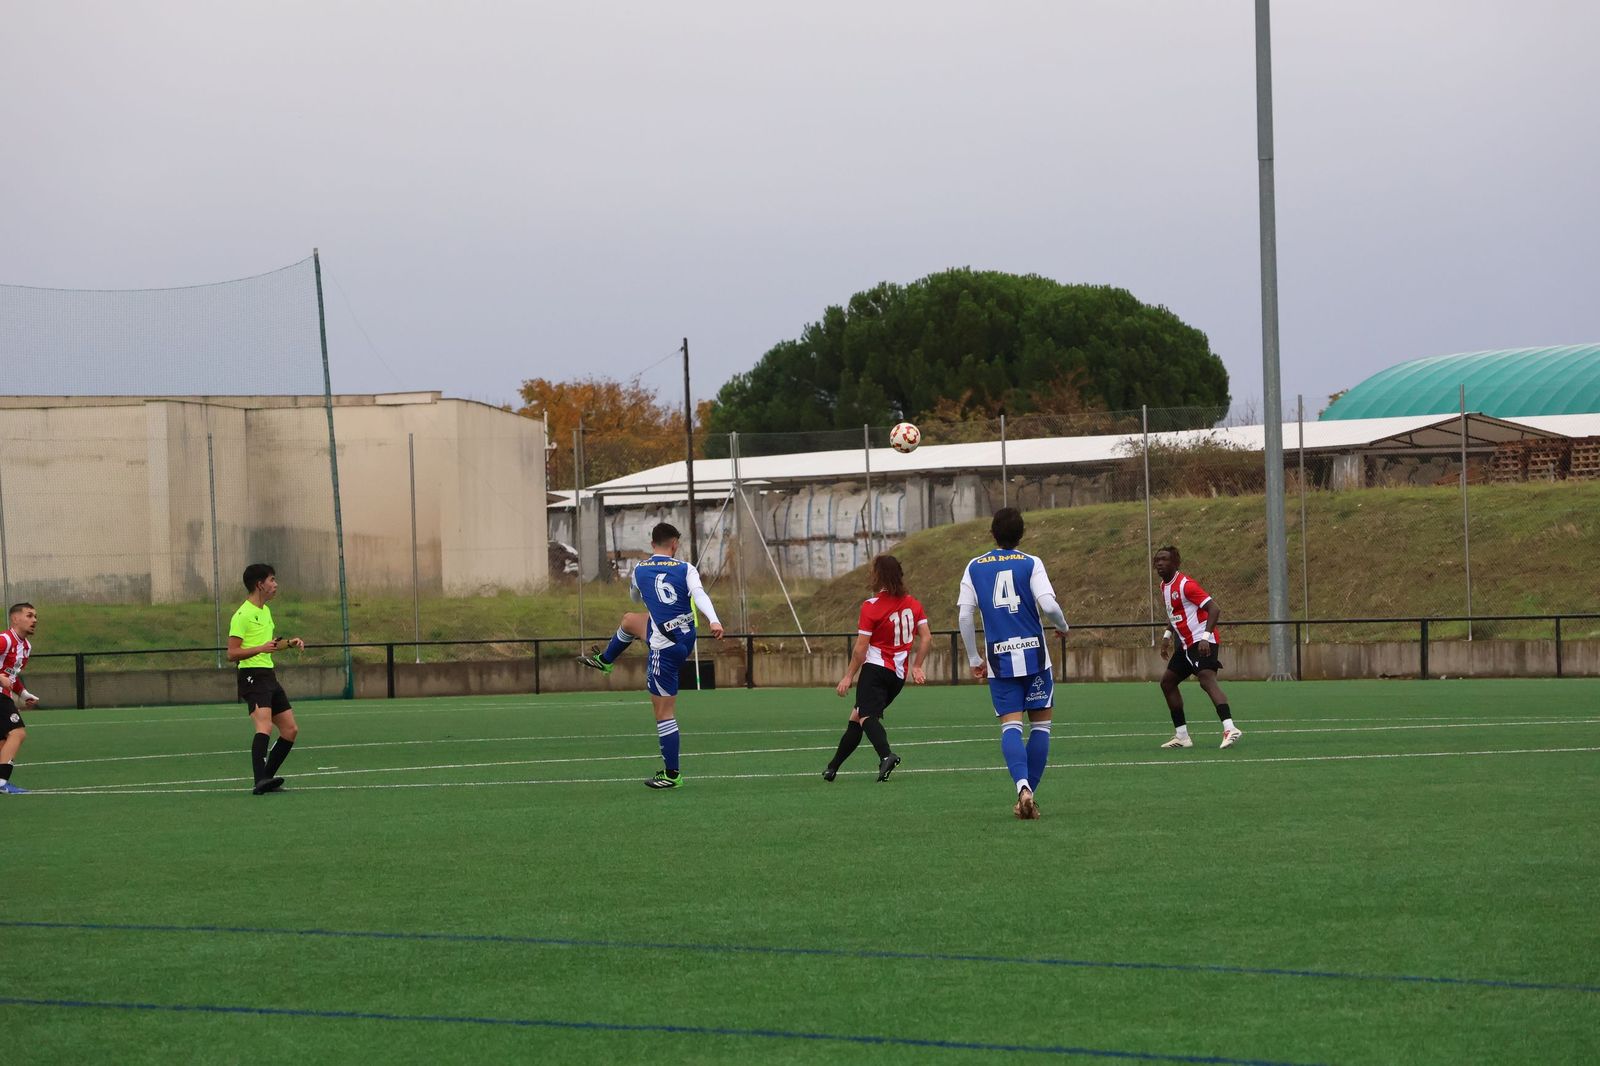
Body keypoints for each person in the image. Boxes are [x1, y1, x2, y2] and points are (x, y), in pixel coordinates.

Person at [577, 522, 724, 789]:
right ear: (674, 544)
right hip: (685, 637)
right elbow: (699, 594)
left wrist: (642, 591)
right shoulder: (686, 568)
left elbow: (635, 597)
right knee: (629, 621)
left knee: (663, 712)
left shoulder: (639, 570)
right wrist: (714, 620)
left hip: (664, 648)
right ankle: (605, 660)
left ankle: (672, 774)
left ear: (652, 543)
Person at [957, 508, 1069, 820]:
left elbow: (965, 615)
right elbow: (1049, 606)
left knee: (1011, 726)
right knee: (1041, 727)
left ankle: (1022, 787)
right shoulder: (1031, 562)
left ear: (992, 533)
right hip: (1036, 658)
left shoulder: (974, 566)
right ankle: (1029, 793)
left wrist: (974, 658)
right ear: (1022, 535)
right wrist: (1063, 626)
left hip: (1000, 660)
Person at [823, 554, 931, 783]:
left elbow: (860, 649)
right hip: (898, 676)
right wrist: (917, 666)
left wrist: (848, 676)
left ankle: (886, 755)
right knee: (857, 717)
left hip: (875, 670)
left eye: (872, 571)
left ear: (879, 576)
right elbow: (927, 637)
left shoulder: (871, 606)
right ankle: (832, 767)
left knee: (866, 715)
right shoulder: (913, 604)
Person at [1153, 546, 1242, 750]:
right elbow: (1174, 613)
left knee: (1206, 679)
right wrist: (1167, 636)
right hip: (1186, 643)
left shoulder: (1186, 585)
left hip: (1201, 640)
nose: (1159, 563)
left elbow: (1214, 609)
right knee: (1167, 683)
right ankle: (1182, 736)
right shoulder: (1164, 586)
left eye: (1165, 559)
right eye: (1157, 560)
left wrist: (1205, 637)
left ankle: (1230, 728)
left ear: (1176, 563)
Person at [227, 564, 305, 794]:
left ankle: (266, 778)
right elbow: (232, 653)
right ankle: (259, 780)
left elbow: (269, 646)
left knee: (290, 730)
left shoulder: (265, 611)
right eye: (272, 580)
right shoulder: (242, 615)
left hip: (268, 675)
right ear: (259, 584)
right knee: (264, 725)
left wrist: (289, 643)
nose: (275, 584)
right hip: (252, 676)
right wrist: (260, 648)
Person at [0, 603, 41, 795]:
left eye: (35, 617)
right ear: (15, 619)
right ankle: (1, 783)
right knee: (17, 733)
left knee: (3, 740)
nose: (34, 620)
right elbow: (4, 677)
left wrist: (24, 694)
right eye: (29, 615)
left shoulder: (26, 647)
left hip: (4, 694)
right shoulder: (5, 639)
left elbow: (12, 676)